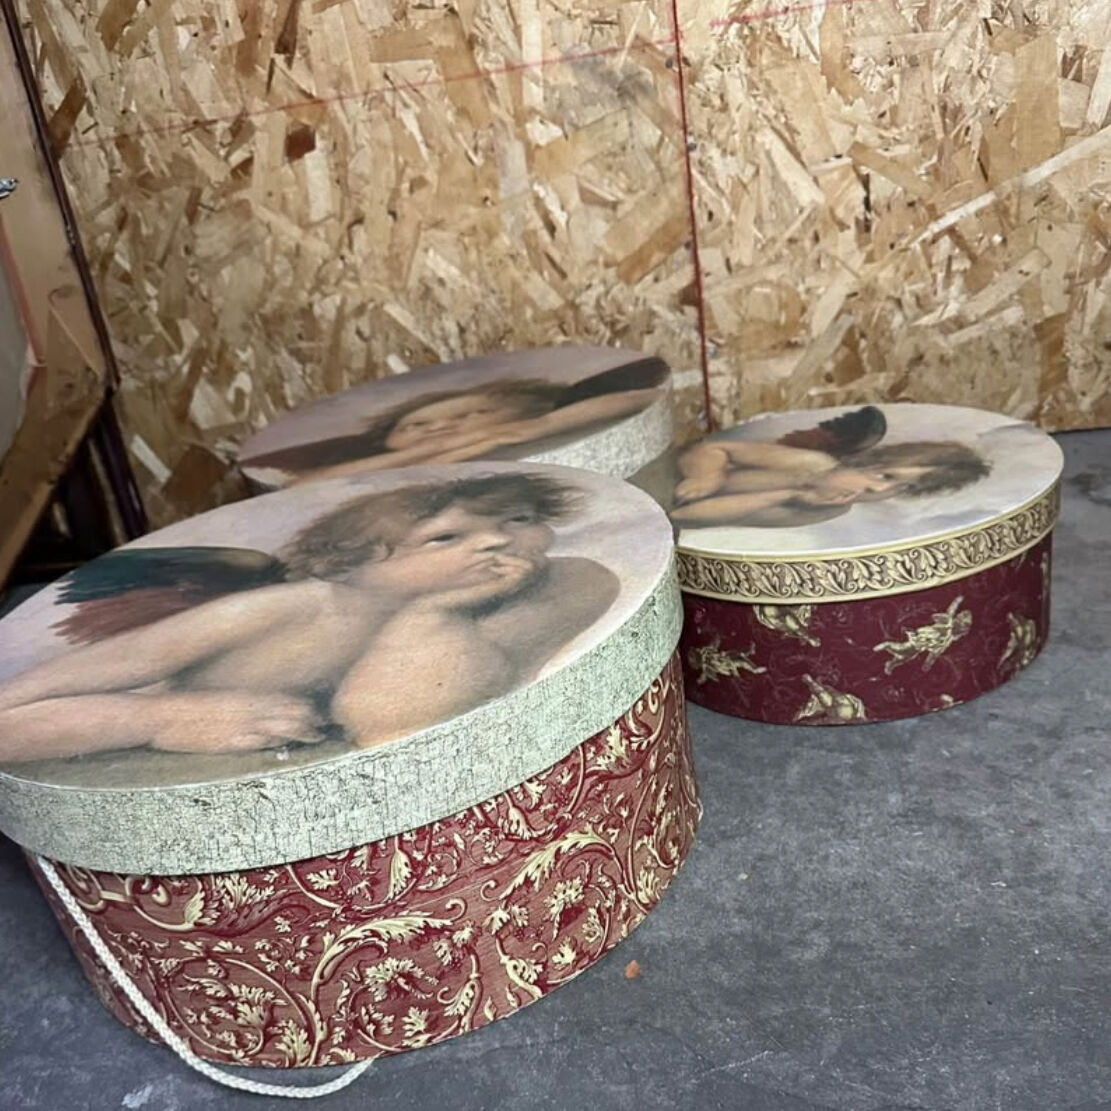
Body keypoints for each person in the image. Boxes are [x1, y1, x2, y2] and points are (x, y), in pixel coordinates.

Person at [0, 474, 618, 763]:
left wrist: (435, 609)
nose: (496, 543)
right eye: (445, 538)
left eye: (516, 522)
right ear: (358, 562)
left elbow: (386, 720)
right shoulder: (309, 604)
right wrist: (166, 717)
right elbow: (132, 659)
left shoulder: (519, 596)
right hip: (143, 708)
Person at [241, 358, 669, 483]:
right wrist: (435, 451)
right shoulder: (368, 466)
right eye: (414, 426)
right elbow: (301, 489)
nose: (439, 427)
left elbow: (638, 400)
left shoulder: (533, 430)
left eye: (476, 413)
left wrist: (527, 430)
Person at [671, 406, 991, 529]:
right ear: (871, 461)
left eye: (899, 488)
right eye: (885, 476)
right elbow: (713, 449)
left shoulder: (824, 510)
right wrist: (708, 475)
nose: (879, 489)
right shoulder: (811, 463)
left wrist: (786, 496)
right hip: (667, 478)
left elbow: (684, 516)